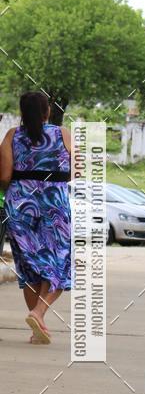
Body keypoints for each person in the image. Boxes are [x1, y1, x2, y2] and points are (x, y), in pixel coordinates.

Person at [0, 91, 72, 344]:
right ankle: (39, 312)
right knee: (60, 262)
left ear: (22, 111)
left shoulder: (12, 135)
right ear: (47, 111)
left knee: (30, 267)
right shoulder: (63, 134)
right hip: (55, 204)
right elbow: (73, 172)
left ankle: (36, 327)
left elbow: (5, 176)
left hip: (20, 204)